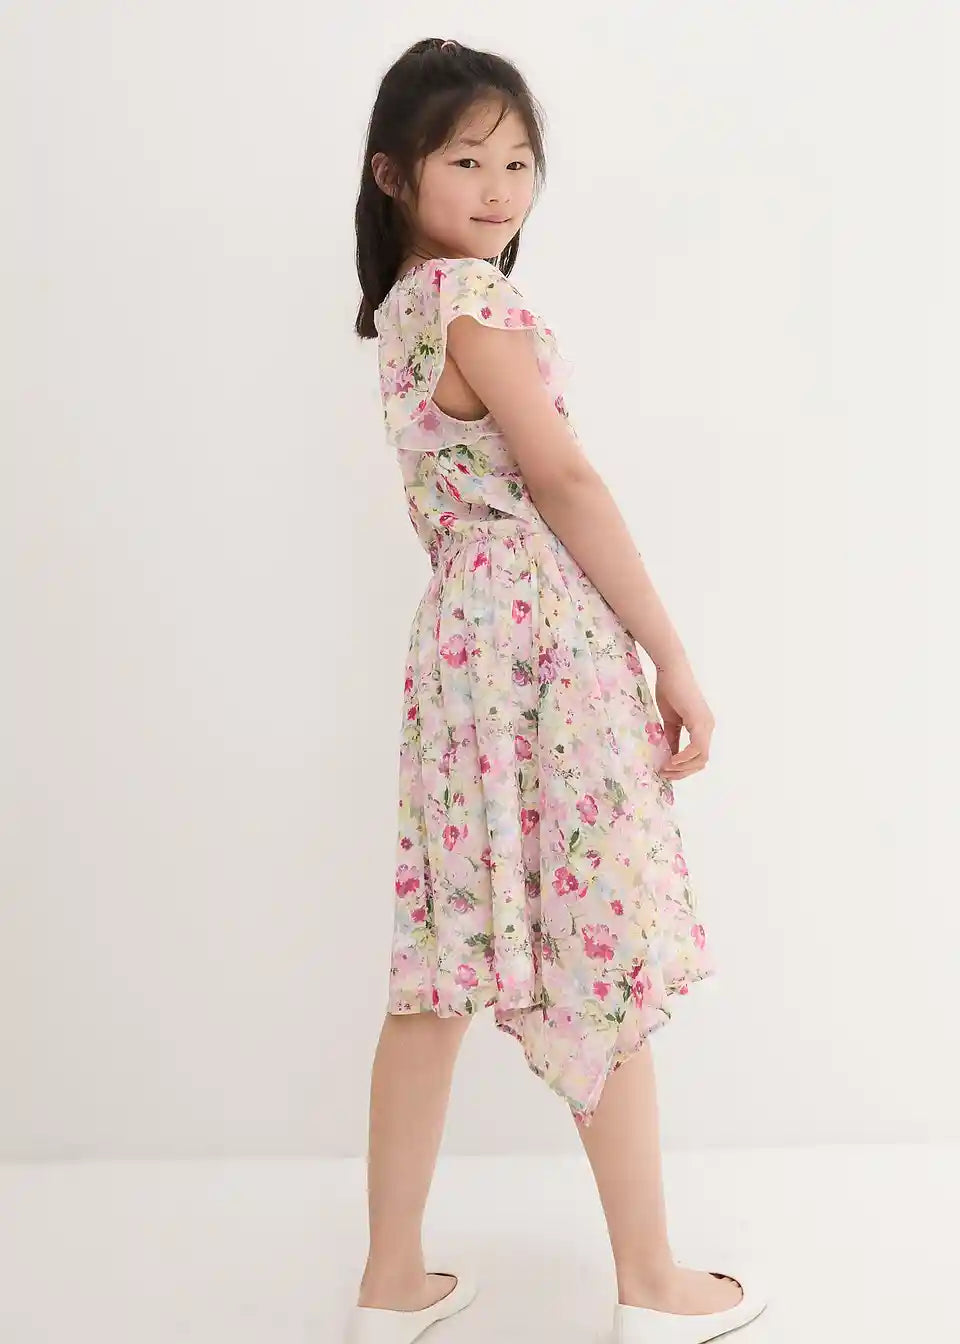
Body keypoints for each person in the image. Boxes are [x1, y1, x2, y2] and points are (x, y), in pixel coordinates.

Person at [344, 37, 769, 1344]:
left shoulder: (404, 310)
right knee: (601, 933)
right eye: (467, 160)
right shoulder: (474, 299)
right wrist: (672, 655)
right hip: (539, 634)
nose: (499, 188)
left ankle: (390, 1280)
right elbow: (566, 481)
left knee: (439, 965)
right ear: (394, 173)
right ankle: (650, 1280)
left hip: (459, 643)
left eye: (519, 162)